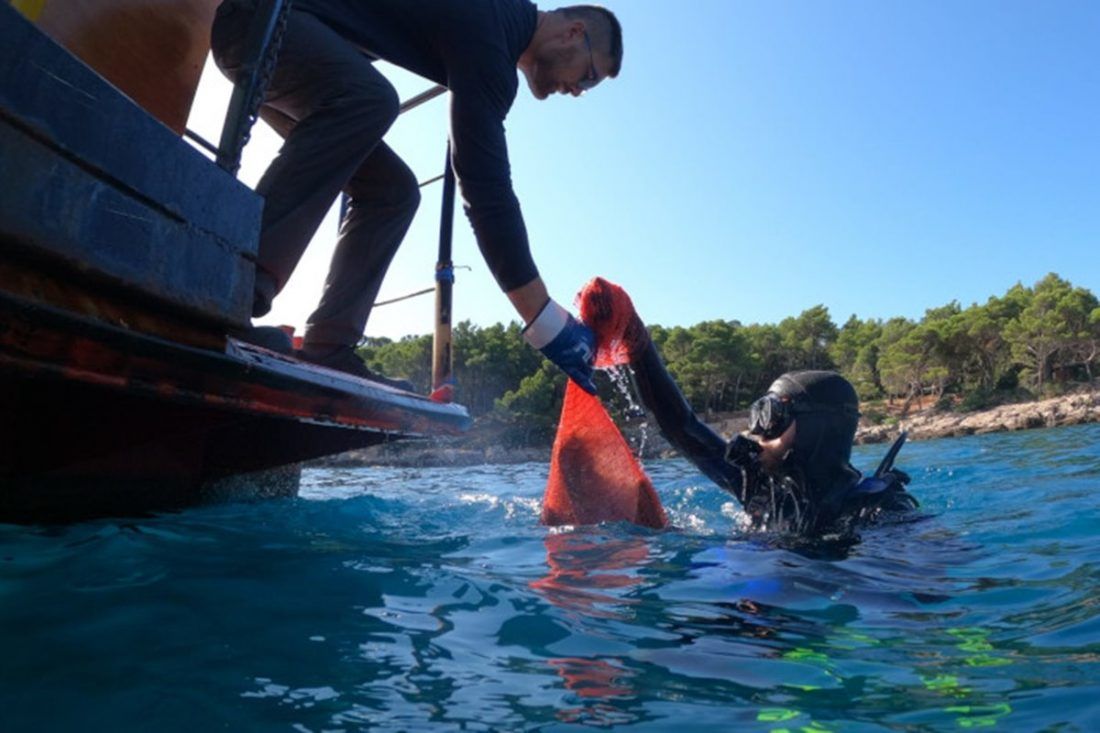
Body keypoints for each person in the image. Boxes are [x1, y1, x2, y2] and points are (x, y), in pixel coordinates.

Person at [210, 0, 618, 390]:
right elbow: (484, 188)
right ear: (573, 33)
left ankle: (329, 346)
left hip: (283, 40)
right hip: (260, 23)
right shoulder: (492, 31)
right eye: (589, 77)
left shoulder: (496, 28)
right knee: (370, 100)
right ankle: (222, 289)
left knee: (393, 193)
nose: (580, 91)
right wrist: (547, 324)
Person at [581, 279, 917, 537]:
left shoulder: (877, 510)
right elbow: (679, 425)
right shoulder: (758, 483)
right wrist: (636, 339)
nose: (756, 433)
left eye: (773, 418)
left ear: (818, 431)